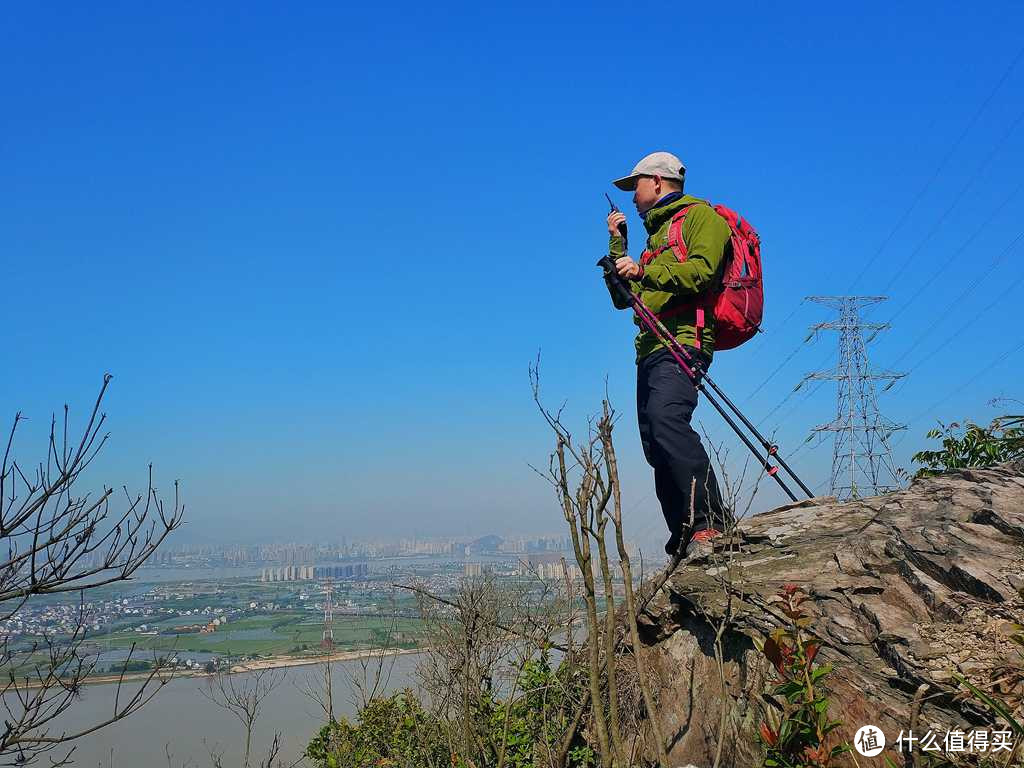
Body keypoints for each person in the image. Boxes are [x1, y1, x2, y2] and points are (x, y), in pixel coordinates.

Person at [604, 150, 733, 558]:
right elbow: (626, 302)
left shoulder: (701, 219)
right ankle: (683, 532)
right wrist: (618, 248)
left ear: (657, 183)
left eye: (635, 186)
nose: (632, 195)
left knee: (667, 421)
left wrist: (643, 271)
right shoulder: (653, 240)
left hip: (682, 340)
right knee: (655, 443)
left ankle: (709, 523)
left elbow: (702, 271)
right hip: (650, 346)